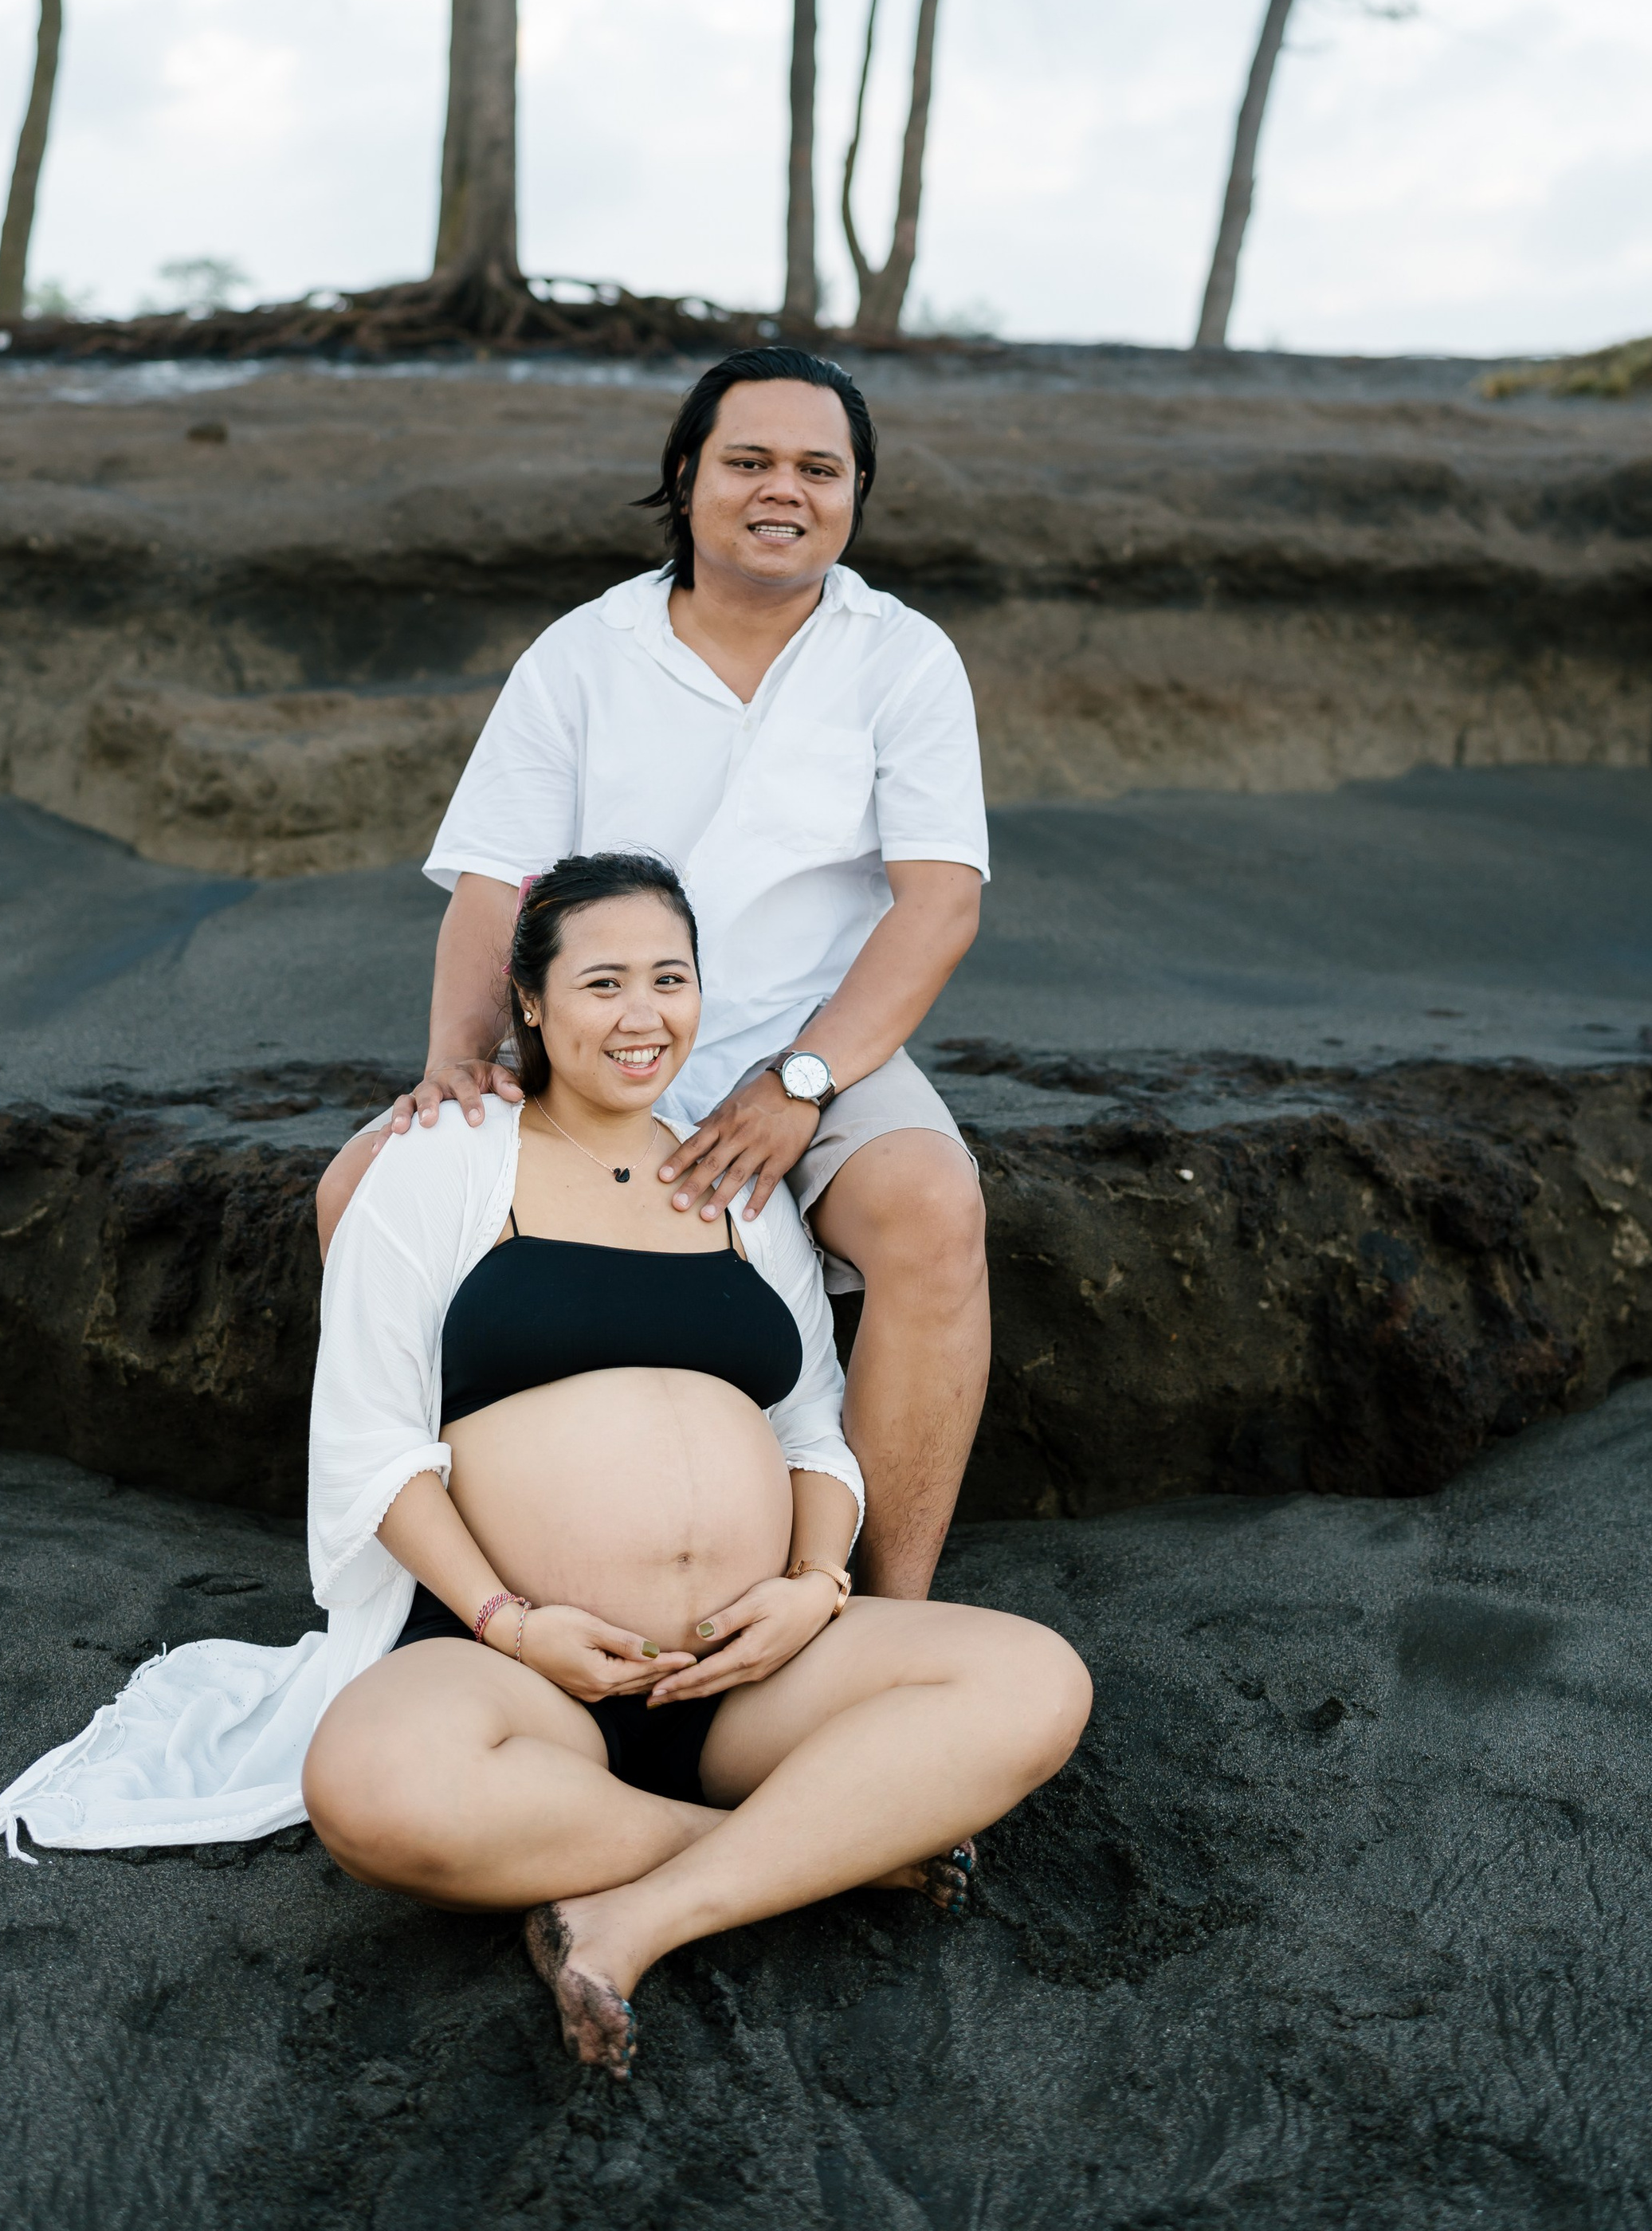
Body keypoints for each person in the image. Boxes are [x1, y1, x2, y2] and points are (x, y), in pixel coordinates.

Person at [299, 852, 1089, 2077]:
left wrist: (816, 1587)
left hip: (743, 1675)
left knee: (1035, 1680)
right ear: (531, 1001)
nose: (641, 1014)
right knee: (369, 1787)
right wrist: (512, 1625)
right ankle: (820, 1847)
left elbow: (813, 1435)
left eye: (670, 979)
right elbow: (369, 1443)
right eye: (602, 981)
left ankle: (635, 1913)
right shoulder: (443, 1164)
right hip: (526, 1679)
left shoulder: (733, 1181)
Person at [317, 347, 991, 1598]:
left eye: (818, 468)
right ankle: (452, 1575)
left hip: (821, 1045)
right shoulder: (584, 654)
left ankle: (885, 1610)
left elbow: (939, 902)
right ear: (687, 479)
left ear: (855, 492)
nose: (781, 490)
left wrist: (802, 1079)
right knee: (363, 1189)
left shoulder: (902, 658)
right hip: (596, 1043)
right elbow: (492, 880)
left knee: (934, 1211)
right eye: (748, 462)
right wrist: (459, 1070)